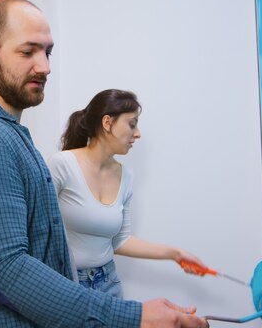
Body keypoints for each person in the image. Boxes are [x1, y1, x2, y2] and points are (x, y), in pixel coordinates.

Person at [0, 0, 209, 327]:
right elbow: (6, 270)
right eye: (27, 51)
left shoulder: (7, 136)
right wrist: (135, 317)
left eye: (47, 52)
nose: (45, 66)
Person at [47, 89, 205, 298]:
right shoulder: (62, 164)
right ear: (107, 123)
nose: (137, 133)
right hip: (66, 284)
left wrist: (175, 254)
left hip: (108, 284)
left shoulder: (126, 176)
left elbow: (120, 241)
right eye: (132, 124)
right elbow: (38, 226)